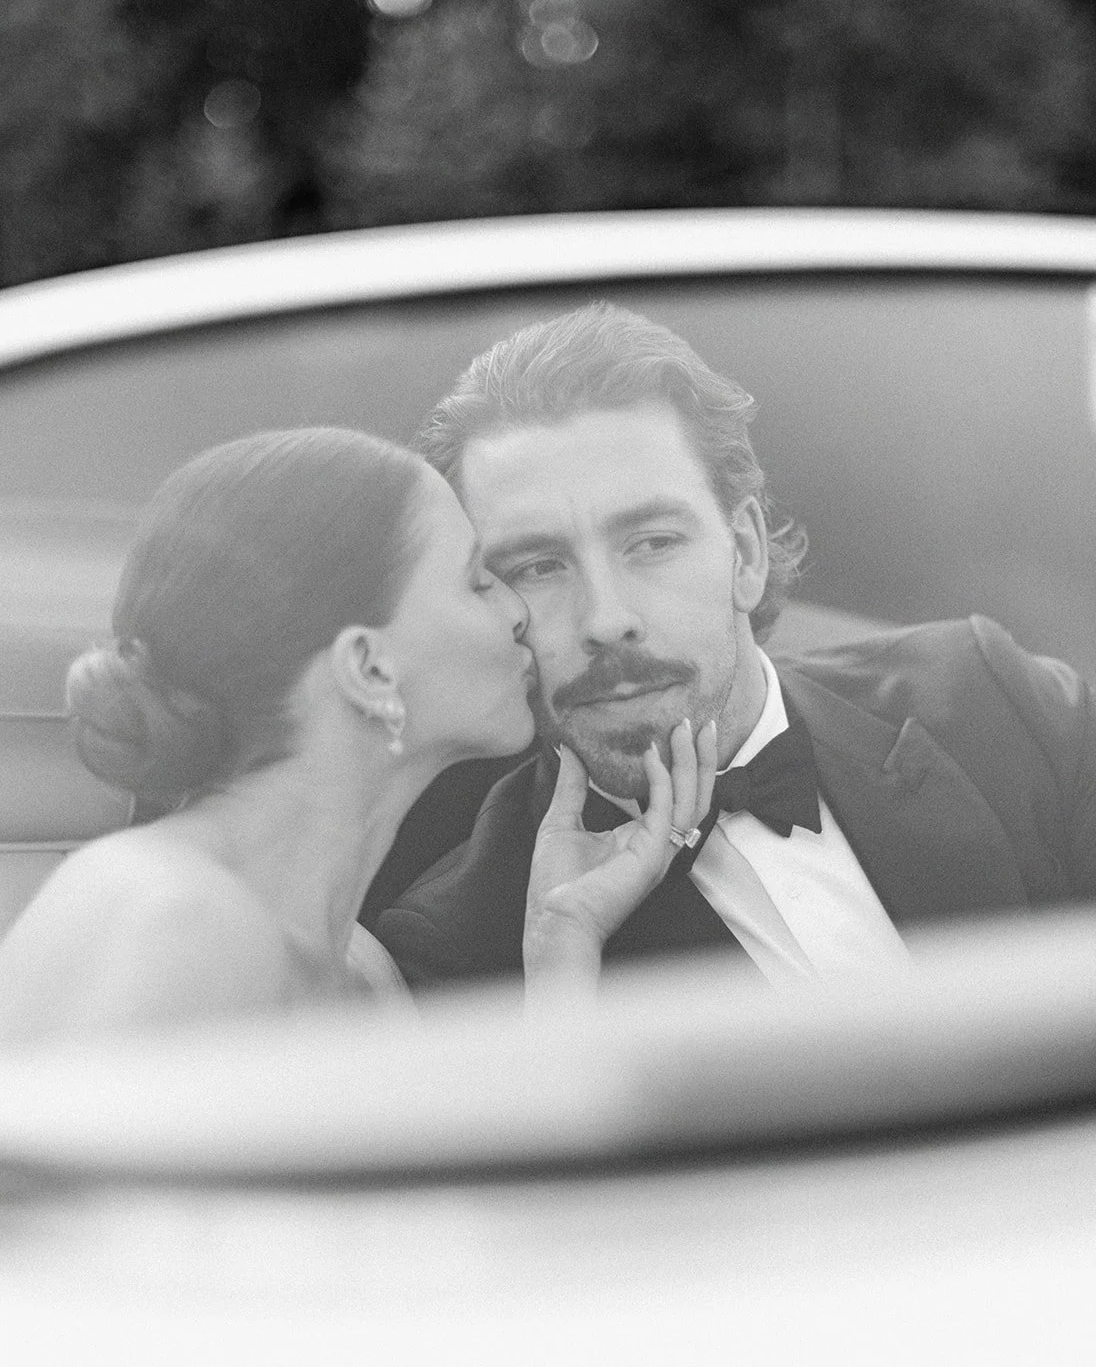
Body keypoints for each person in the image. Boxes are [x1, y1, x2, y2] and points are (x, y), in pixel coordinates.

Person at [373, 303, 1096, 992]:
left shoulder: (995, 701)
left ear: (744, 553)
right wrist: (563, 964)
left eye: (652, 543)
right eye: (537, 567)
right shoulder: (454, 950)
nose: (606, 619)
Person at [0, 426, 708, 1050]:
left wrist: (564, 939)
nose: (519, 612)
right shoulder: (165, 919)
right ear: (368, 667)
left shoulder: (363, 975)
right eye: (478, 582)